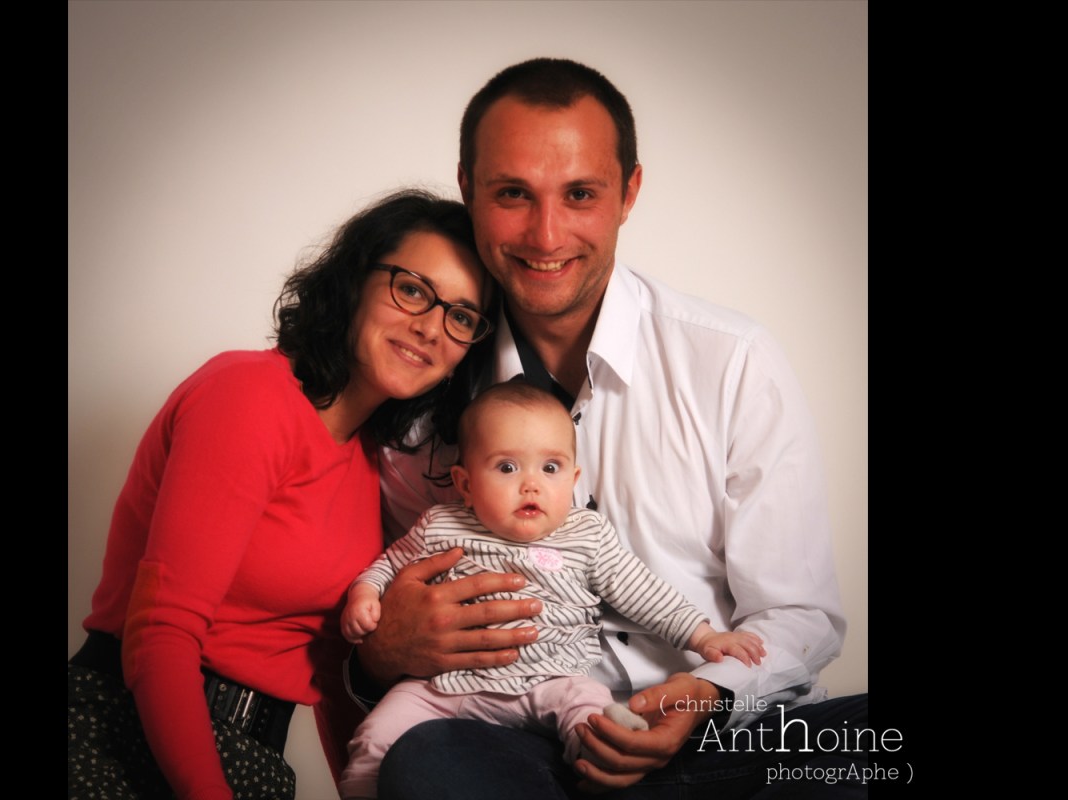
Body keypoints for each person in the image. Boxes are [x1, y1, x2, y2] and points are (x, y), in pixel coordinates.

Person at [353, 59, 867, 798]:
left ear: (628, 193)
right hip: (524, 741)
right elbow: (403, 602)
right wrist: (378, 653)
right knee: (425, 761)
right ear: (467, 189)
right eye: (512, 194)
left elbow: (797, 615)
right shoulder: (424, 394)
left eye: (580, 194)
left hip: (724, 737)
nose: (546, 234)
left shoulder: (733, 360)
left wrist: (704, 695)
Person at [67, 189, 496, 800]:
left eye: (461, 316)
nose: (430, 327)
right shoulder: (250, 395)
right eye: (411, 289)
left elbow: (327, 670)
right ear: (354, 281)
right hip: (127, 736)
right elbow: (162, 631)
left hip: (253, 763)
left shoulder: (368, 461)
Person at [337, 381, 766, 799]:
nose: (531, 484)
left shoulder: (586, 534)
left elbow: (645, 593)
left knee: (589, 710)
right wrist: (365, 594)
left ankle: (601, 758)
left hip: (554, 679)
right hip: (447, 686)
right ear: (465, 484)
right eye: (507, 468)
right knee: (376, 736)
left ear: (573, 478)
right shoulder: (441, 525)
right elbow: (390, 565)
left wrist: (702, 636)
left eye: (550, 468)